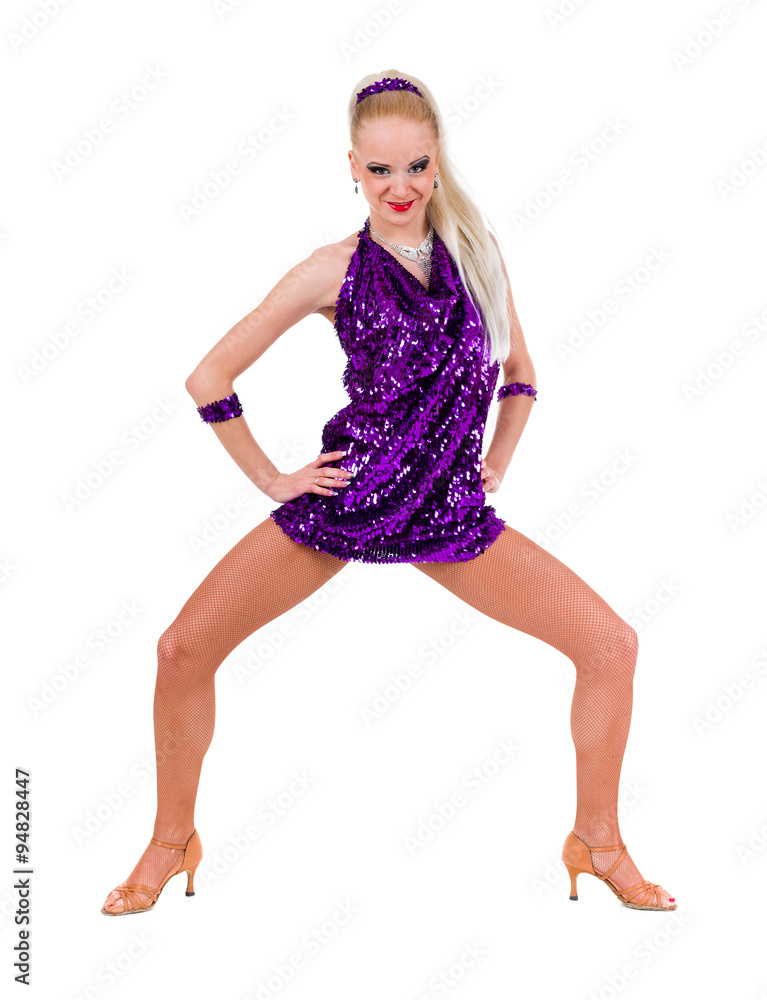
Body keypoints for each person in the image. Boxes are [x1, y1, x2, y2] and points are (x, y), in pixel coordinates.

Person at [101, 70, 676, 915]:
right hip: (350, 498)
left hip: (446, 513)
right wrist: (275, 479)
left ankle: (597, 841)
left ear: (437, 161)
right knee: (181, 650)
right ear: (351, 168)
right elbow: (207, 378)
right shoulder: (329, 270)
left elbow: (520, 377)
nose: (398, 187)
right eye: (378, 170)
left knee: (610, 647)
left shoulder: (477, 253)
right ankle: (169, 839)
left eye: (414, 167)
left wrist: (495, 460)